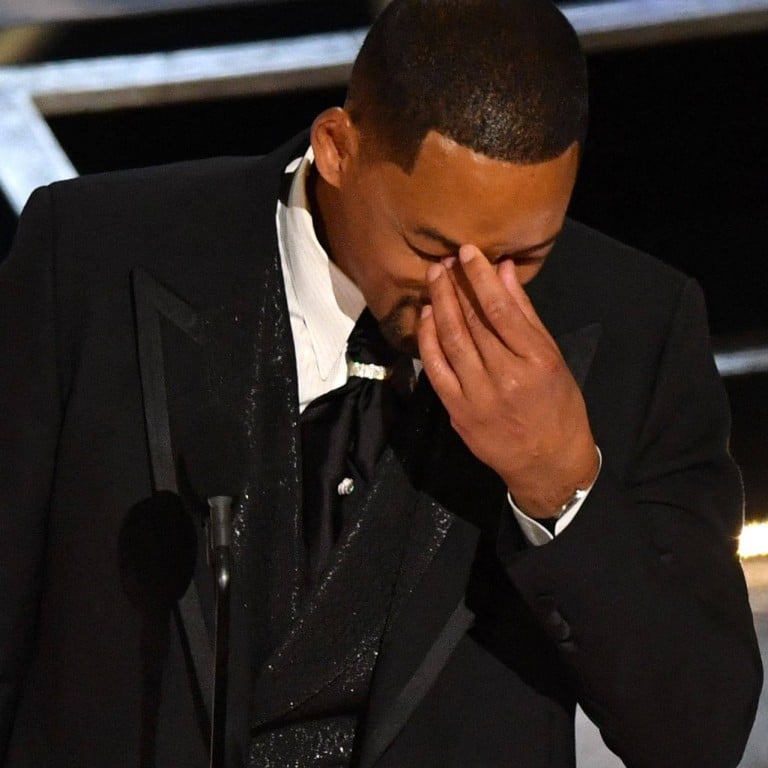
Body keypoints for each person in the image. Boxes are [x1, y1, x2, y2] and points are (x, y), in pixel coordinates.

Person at [0, 0, 762, 766]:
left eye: (526, 257)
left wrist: (560, 481)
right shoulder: (92, 256)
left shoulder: (636, 326)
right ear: (337, 148)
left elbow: (698, 733)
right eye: (431, 246)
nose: (474, 291)